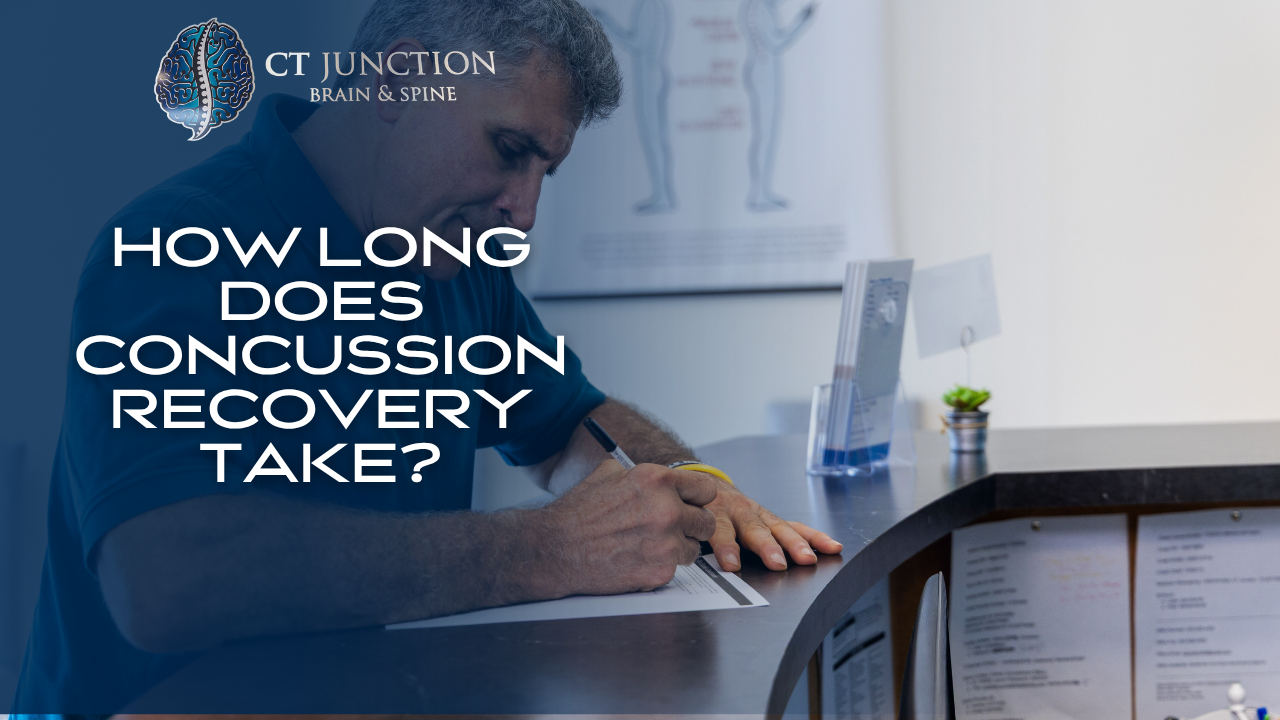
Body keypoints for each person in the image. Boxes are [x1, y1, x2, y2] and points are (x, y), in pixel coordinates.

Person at [12, 0, 841, 712]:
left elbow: (566, 425)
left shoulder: (456, 257)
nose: (521, 213)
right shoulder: (170, 246)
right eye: (509, 149)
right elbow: (161, 581)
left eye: (546, 170)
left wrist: (706, 496)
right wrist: (545, 550)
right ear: (398, 81)